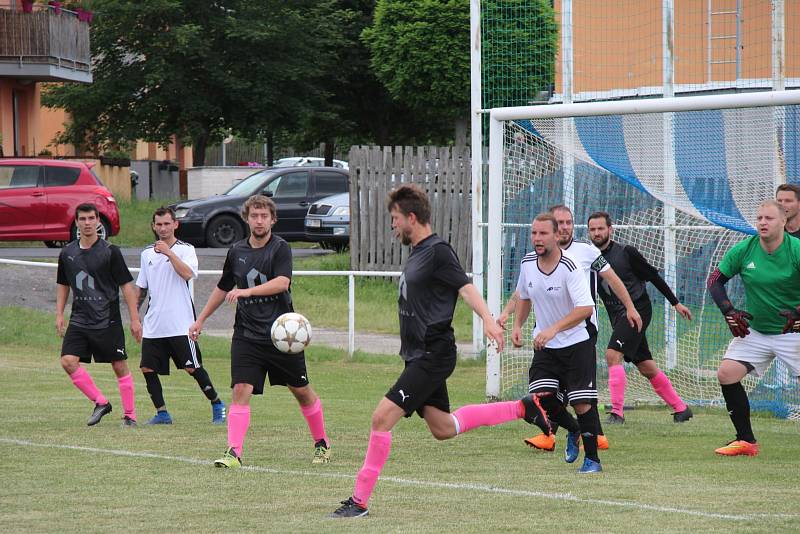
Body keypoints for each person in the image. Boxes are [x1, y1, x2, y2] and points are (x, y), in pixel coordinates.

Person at [329, 184, 543, 519]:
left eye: (396, 218)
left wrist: (488, 319)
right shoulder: (417, 251)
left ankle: (359, 501)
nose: (393, 225)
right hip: (418, 354)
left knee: (380, 418)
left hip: (434, 353)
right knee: (443, 428)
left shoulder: (438, 250)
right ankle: (522, 408)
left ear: (412, 218)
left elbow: (466, 287)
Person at [188, 195, 330, 467]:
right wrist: (201, 319)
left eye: (265, 216)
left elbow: (281, 282)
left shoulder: (280, 248)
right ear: (247, 218)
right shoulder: (237, 251)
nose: (260, 220)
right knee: (241, 389)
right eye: (254, 215)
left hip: (281, 337)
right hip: (247, 335)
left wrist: (247, 291)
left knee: (301, 391)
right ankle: (234, 452)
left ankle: (321, 443)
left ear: (273, 219)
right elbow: (223, 287)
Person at [500, 204, 643, 451]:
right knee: (546, 390)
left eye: (568, 222)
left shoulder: (585, 252)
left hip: (582, 329)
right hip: (547, 332)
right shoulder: (532, 260)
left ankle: (592, 435)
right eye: (560, 223)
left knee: (578, 389)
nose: (565, 227)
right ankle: (560, 432)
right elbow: (523, 292)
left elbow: (612, 279)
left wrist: (630, 307)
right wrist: (511, 318)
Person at [511, 212, 604, 473]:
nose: (537, 239)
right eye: (533, 233)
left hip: (577, 343)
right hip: (547, 345)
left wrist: (553, 329)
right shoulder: (528, 263)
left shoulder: (570, 267)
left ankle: (592, 461)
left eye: (542, 234)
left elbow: (585, 308)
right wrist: (517, 325)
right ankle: (573, 429)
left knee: (581, 402)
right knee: (541, 396)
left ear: (555, 236)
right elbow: (525, 296)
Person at [707, 200, 800, 456]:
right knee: (727, 373)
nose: (762, 222)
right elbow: (715, 280)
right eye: (759, 218)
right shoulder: (745, 249)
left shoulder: (796, 250)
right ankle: (745, 441)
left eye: (769, 218)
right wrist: (729, 310)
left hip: (793, 332)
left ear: (784, 221)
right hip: (756, 331)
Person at [587, 211, 694, 424]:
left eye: (601, 228)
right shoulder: (588, 257)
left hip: (638, 310)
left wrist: (675, 302)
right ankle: (681, 409)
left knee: (612, 355)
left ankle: (617, 413)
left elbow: (653, 277)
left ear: (610, 229)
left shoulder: (627, 253)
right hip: (617, 316)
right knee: (646, 366)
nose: (597, 233)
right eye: (592, 229)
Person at [136, 207, 226, 425]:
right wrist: (134, 316)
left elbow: (187, 274)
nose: (163, 228)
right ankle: (162, 413)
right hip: (154, 324)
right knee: (147, 367)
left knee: (191, 367)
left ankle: (217, 404)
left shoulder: (186, 249)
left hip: (180, 324)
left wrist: (169, 252)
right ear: (153, 226)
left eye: (167, 223)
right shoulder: (147, 253)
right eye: (159, 224)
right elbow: (142, 288)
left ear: (176, 224)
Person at [56, 203, 142, 427]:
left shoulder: (110, 251)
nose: (87, 223)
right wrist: (59, 314)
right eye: (82, 219)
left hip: (107, 318)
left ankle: (130, 415)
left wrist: (134, 319)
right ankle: (101, 402)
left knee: (119, 365)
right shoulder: (67, 253)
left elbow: (127, 287)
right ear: (76, 222)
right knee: (67, 361)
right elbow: (63, 285)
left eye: (91, 218)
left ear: (97, 221)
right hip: (79, 319)